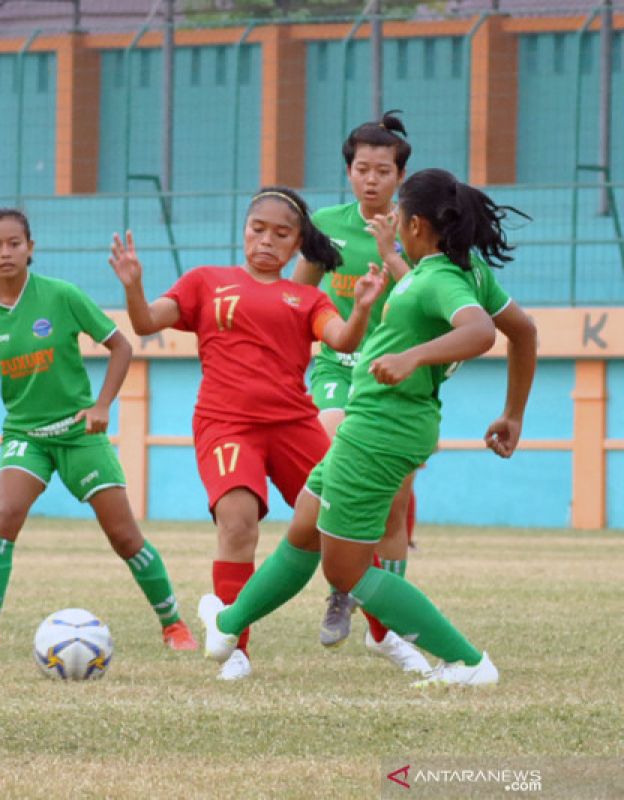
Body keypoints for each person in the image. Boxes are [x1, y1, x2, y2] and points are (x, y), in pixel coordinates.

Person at [199, 168, 538, 687]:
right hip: (375, 424)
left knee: (346, 572)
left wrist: (410, 357)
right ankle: (225, 626)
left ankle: (468, 663)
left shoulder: (442, 280)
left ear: (418, 223)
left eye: (400, 216)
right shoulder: (456, 272)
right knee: (303, 529)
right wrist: (513, 413)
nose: (394, 222)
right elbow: (525, 330)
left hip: (382, 430)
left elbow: (482, 331)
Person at [108, 186, 394, 681]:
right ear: (243, 231)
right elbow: (145, 320)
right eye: (257, 229)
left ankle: (383, 634)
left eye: (281, 234)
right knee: (238, 524)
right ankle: (235, 649)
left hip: (294, 424)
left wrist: (364, 307)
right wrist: (133, 285)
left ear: (298, 243)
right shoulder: (205, 281)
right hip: (227, 424)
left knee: (343, 520)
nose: (266, 241)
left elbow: (343, 339)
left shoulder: (308, 298)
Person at [0, 208, 197, 653]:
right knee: (5, 514)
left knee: (124, 535)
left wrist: (102, 404)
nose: (6, 252)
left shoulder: (62, 296)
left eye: (15, 243)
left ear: (31, 248)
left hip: (78, 433)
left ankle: (174, 625)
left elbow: (121, 346)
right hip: (25, 437)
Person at [290, 111, 420, 655]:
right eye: (362, 169)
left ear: (399, 177)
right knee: (339, 449)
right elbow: (294, 300)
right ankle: (341, 588)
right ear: (349, 173)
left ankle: (388, 622)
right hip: (337, 371)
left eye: (383, 171)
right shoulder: (326, 226)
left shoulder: (418, 232)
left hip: (396, 375)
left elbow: (431, 298)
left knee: (395, 501)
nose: (372, 179)